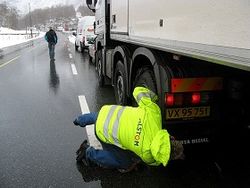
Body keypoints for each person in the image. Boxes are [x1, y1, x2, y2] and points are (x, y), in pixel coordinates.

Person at [73, 86, 184, 173]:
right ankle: (89, 153)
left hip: (108, 111)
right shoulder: (148, 156)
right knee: (124, 163)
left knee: (105, 116)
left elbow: (138, 91)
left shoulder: (155, 114)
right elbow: (154, 160)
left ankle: (80, 119)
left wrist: (154, 98)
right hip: (103, 132)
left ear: (171, 137)